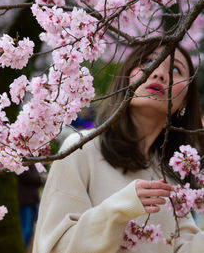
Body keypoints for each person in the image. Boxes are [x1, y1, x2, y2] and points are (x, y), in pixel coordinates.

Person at [32, 41, 204, 253]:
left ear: (186, 99)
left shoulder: (171, 179)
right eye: (148, 61)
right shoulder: (82, 148)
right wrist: (121, 208)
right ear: (126, 79)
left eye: (175, 69)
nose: (159, 73)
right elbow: (55, 247)